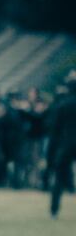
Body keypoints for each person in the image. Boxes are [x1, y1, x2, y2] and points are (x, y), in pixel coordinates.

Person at [48, 73, 76, 218]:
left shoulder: (63, 105)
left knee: (59, 178)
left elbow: (55, 130)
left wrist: (51, 153)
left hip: (66, 144)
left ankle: (54, 210)